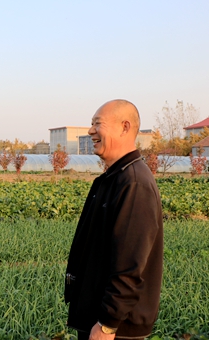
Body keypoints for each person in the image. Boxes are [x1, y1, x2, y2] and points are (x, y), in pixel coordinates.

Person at [64, 100, 163, 340]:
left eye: (98, 124)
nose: (90, 131)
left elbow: (130, 266)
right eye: (91, 124)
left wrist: (108, 324)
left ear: (124, 127)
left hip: (117, 329)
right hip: (98, 318)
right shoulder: (113, 179)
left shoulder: (134, 183)